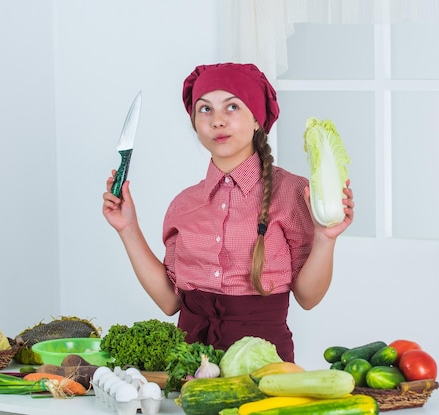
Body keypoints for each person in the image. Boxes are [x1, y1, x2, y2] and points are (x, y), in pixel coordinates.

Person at [102, 63, 354, 362]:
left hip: (265, 371)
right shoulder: (183, 205)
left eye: (232, 107)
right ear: (195, 123)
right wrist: (127, 228)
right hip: (190, 368)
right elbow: (171, 302)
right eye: (205, 109)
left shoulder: (292, 194)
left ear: (258, 119)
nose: (217, 121)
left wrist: (326, 238)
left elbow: (308, 298)